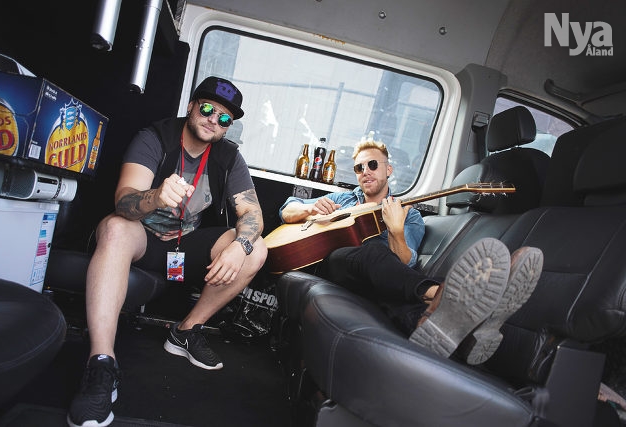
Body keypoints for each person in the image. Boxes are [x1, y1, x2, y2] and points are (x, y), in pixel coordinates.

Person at [67, 76, 267, 427]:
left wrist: (241, 245)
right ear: (191, 106)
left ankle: (186, 331)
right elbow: (123, 202)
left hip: (184, 245)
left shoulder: (228, 156)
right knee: (114, 227)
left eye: (224, 118)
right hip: (141, 237)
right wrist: (156, 196)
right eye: (207, 109)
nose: (213, 120)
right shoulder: (155, 137)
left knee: (256, 248)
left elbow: (252, 213)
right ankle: (101, 363)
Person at [278, 134, 542, 364]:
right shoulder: (343, 198)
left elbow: (404, 263)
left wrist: (395, 230)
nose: (365, 171)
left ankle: (456, 334)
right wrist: (310, 210)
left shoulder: (409, 214)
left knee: (391, 294)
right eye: (359, 168)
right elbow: (286, 209)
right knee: (372, 253)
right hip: (335, 266)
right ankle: (442, 293)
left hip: (377, 283)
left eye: (373, 165)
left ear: (388, 170)